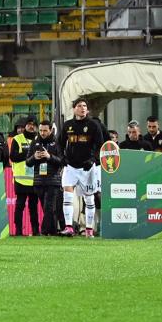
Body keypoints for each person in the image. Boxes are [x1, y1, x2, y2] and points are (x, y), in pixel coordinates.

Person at [58, 97, 107, 237]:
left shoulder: (93, 125)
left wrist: (93, 160)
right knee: (67, 195)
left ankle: (89, 229)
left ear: (87, 109)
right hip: (71, 166)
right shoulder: (68, 125)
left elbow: (100, 145)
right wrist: (62, 158)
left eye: (84, 106)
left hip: (87, 168)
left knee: (89, 198)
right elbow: (59, 143)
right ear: (74, 109)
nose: (82, 108)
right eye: (79, 105)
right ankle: (69, 227)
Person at [27, 119, 65, 234]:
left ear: (51, 130)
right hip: (38, 181)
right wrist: (34, 157)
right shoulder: (35, 142)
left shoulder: (57, 142)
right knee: (47, 209)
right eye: (41, 130)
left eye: (45, 130)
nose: (42, 133)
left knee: (49, 207)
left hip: (53, 181)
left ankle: (44, 231)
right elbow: (28, 162)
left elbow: (62, 161)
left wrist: (49, 157)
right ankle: (52, 232)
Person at [7, 116, 42, 236]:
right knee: (20, 205)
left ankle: (36, 231)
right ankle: (18, 231)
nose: (31, 127)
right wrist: (30, 154)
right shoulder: (17, 139)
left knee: (33, 207)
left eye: (34, 125)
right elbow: (13, 157)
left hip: (35, 179)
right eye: (29, 124)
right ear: (25, 126)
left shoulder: (39, 139)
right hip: (21, 178)